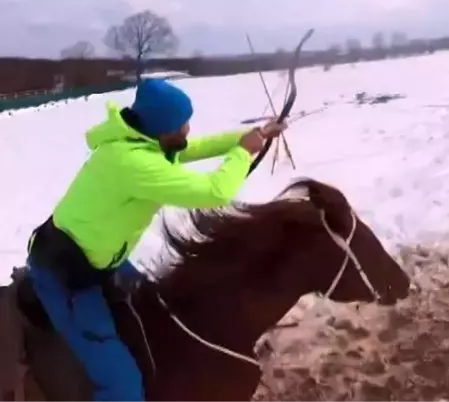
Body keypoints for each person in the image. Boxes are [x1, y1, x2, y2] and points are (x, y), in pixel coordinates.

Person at [25, 78, 286, 402]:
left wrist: (253, 136)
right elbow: (214, 191)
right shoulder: (133, 163)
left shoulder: (141, 142)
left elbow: (191, 148)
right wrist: (243, 152)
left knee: (161, 315)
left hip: (105, 261)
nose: (188, 130)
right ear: (161, 129)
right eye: (182, 124)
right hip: (70, 279)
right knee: (123, 388)